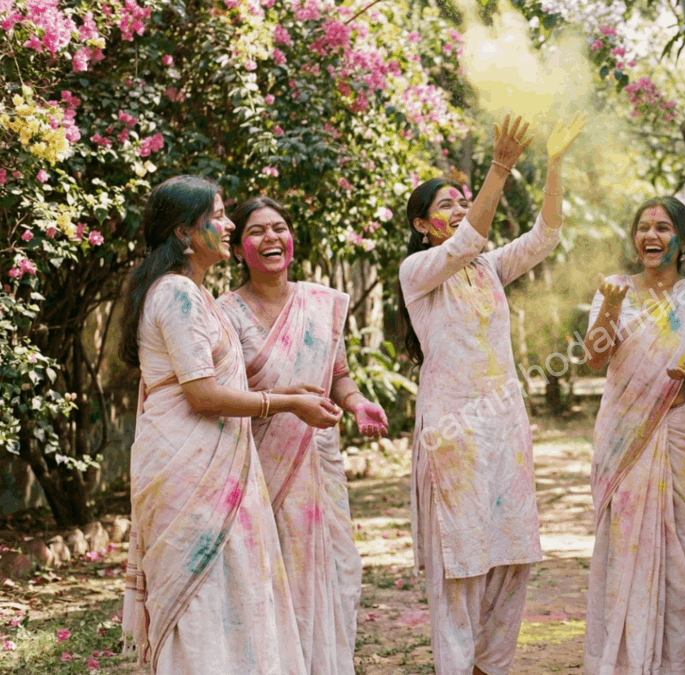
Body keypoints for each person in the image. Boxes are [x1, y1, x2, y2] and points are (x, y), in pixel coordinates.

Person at [118, 175, 342, 674]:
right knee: (201, 596)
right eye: (217, 217)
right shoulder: (175, 293)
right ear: (184, 232)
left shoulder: (194, 292)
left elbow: (214, 381)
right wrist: (282, 405)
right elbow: (199, 395)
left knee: (231, 592)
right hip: (188, 474)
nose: (229, 225)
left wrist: (288, 394)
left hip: (218, 468)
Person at [397, 113, 586, 675]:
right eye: (447, 206)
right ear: (423, 225)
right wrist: (499, 166)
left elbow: (545, 236)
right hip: (453, 433)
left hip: (503, 428)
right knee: (462, 563)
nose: (459, 210)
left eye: (463, 200)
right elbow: (470, 238)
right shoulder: (419, 270)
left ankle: (490, 667)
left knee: (510, 557)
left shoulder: (486, 268)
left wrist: (552, 164)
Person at [216, 196, 388, 675]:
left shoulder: (321, 303)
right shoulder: (222, 313)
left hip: (316, 465)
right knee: (269, 580)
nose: (271, 237)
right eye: (255, 231)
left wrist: (357, 402)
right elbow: (222, 395)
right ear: (237, 250)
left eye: (279, 227)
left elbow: (339, 373)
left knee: (336, 574)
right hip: (256, 468)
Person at [581, 195, 685, 675]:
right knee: (621, 560)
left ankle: (674, 666)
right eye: (644, 227)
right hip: (624, 444)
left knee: (680, 568)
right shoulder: (614, 290)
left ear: (683, 242)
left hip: (683, 442)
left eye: (664, 228)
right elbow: (594, 358)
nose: (651, 236)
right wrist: (609, 310)